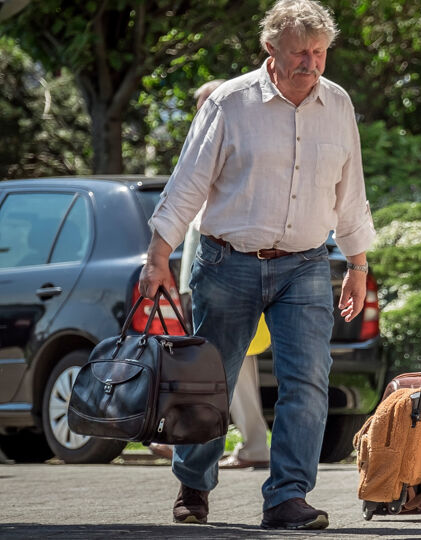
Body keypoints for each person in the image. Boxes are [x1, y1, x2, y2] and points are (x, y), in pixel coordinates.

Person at [139, 0, 374, 529]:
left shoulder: (337, 104)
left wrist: (358, 264)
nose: (310, 64)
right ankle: (194, 483)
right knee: (211, 382)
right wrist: (158, 256)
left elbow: (351, 191)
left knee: (309, 379)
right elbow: (187, 185)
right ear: (270, 49)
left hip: (307, 264)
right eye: (299, 53)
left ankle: (288, 496)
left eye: (319, 52)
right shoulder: (229, 103)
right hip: (228, 263)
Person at [149, 79, 271, 470]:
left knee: (224, 365)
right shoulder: (203, 149)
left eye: (209, 106)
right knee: (211, 364)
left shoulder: (228, 149)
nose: (204, 114)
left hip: (228, 274)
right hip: (199, 277)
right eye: (202, 107)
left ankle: (246, 444)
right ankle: (191, 440)